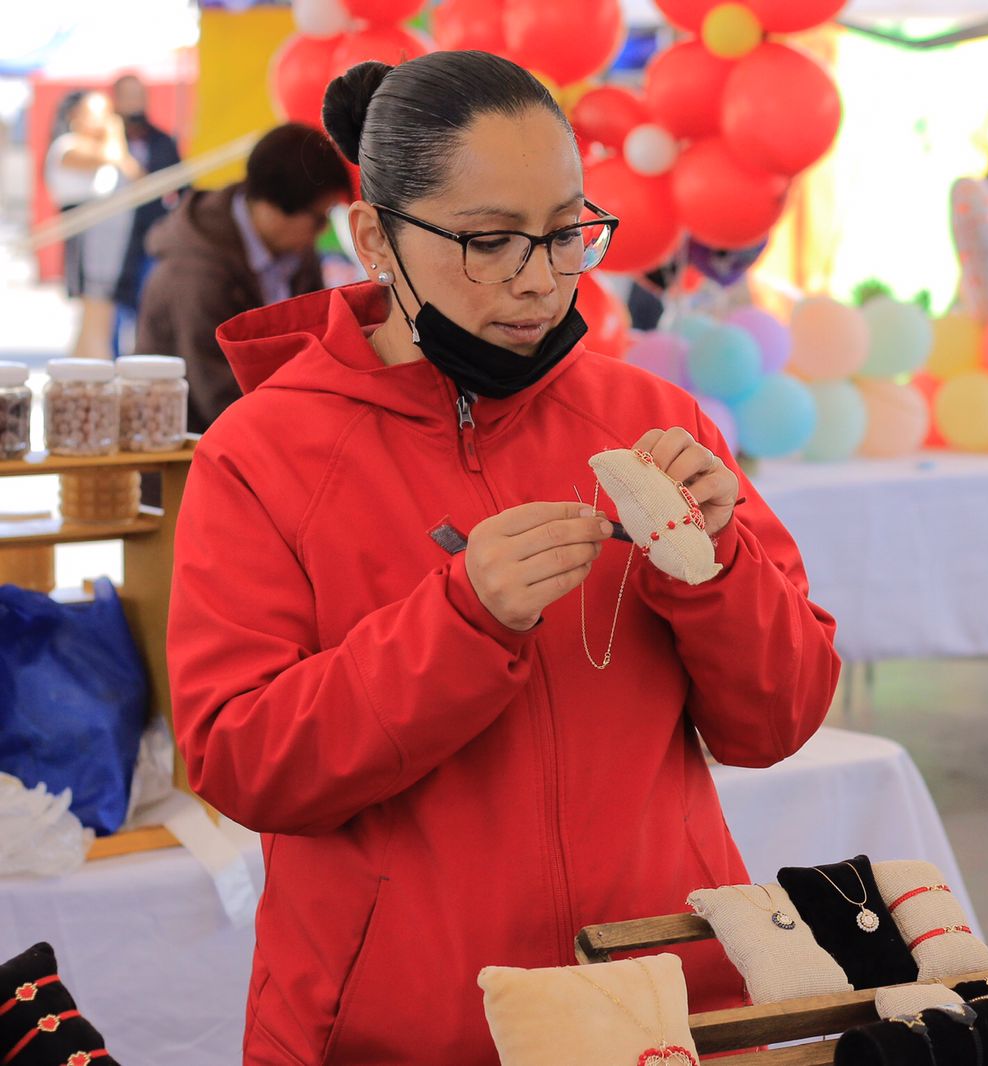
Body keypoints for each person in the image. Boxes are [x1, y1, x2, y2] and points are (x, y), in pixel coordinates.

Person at [166, 51, 839, 1064]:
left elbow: (777, 718)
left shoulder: (651, 416)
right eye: (487, 242)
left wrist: (720, 569)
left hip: (662, 1000)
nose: (538, 280)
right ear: (374, 238)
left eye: (566, 232)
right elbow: (243, 762)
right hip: (405, 1026)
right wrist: (459, 620)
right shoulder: (260, 453)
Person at [136, 122, 350, 432]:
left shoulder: (295, 250)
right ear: (272, 209)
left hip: (260, 430)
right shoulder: (196, 272)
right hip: (187, 452)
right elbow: (218, 394)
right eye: (319, 219)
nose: (323, 232)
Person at [45, 90, 144, 360]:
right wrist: (114, 131)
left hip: (111, 243)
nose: (104, 120)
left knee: (99, 318)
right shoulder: (68, 146)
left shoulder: (106, 148)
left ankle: (77, 379)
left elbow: (136, 176)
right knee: (94, 317)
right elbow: (109, 156)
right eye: (97, 113)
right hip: (88, 241)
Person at [110, 74, 183, 340]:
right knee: (109, 313)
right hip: (110, 242)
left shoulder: (163, 142)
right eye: (129, 96)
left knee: (146, 306)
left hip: (149, 238)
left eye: (139, 96)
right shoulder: (105, 140)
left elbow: (181, 188)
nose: (135, 103)